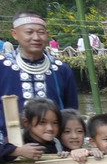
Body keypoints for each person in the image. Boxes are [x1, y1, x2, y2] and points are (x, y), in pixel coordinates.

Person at [1, 11, 79, 143]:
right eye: (29, 32)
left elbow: (71, 113)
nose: (36, 37)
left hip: (55, 147)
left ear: (47, 35)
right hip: (7, 148)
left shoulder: (61, 69)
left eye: (41, 32)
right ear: (14, 34)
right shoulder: (2, 66)